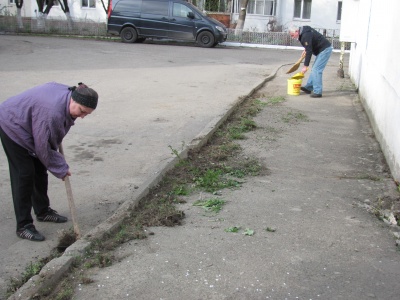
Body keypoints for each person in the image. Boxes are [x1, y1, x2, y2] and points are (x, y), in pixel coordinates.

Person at [0, 82, 98, 241]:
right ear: (73, 101)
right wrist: (61, 168)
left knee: (39, 169)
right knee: (24, 174)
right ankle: (23, 225)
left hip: (31, 122)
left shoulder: (71, 95)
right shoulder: (52, 112)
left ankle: (43, 211)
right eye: (81, 111)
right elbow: (43, 148)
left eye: (86, 114)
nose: (82, 116)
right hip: (12, 124)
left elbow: (47, 141)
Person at [289, 25, 333, 98]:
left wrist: (305, 66)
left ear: (297, 31)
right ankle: (309, 87)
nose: (292, 37)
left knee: (316, 70)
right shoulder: (303, 30)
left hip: (325, 49)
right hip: (322, 49)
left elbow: (309, 51)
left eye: (292, 35)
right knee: (314, 69)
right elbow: (311, 41)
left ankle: (317, 92)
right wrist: (306, 48)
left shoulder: (305, 35)